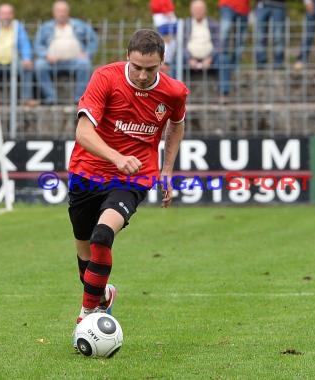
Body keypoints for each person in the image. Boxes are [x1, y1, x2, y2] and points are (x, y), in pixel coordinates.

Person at [67, 29, 188, 338]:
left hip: (134, 175)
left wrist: (167, 170)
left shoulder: (174, 92)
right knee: (85, 253)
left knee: (102, 235)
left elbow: (176, 125)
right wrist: (116, 156)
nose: (144, 75)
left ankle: (87, 315)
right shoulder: (105, 78)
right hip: (87, 171)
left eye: (151, 68)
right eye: (137, 67)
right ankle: (104, 295)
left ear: (162, 62)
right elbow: (82, 132)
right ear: (127, 58)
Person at [34, 0, 98, 105]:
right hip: (52, 62)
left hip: (75, 61)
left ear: (68, 12)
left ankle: (79, 98)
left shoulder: (79, 25)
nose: (62, 13)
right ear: (53, 12)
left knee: (85, 64)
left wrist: (87, 53)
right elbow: (37, 44)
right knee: (40, 65)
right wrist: (45, 55)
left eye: (64, 11)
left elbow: (93, 39)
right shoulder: (45, 27)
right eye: (59, 11)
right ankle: (51, 97)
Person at [0, 3, 37, 107]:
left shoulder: (18, 26)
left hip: (13, 61)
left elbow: (25, 44)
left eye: (8, 13)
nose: (6, 16)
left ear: (13, 15)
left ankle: (26, 99)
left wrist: (26, 58)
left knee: (27, 68)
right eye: (3, 13)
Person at [218, 0, 250, 102]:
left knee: (240, 40)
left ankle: (235, 64)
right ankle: (224, 61)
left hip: (243, 7)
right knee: (225, 33)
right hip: (227, 4)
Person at [183, 0, 219, 72]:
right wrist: (189, 58)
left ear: (205, 10)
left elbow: (218, 44)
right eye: (195, 9)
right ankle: (174, 83)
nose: (198, 11)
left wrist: (210, 58)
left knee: (224, 60)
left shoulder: (214, 24)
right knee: (176, 59)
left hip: (210, 59)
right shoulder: (185, 24)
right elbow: (181, 45)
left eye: (200, 9)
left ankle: (224, 83)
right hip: (189, 58)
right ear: (191, 10)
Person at [255, 0, 287, 70]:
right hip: (262, 5)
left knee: (278, 36)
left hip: (279, 5)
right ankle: (261, 63)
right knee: (260, 37)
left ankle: (278, 63)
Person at [149, 0, 177, 74]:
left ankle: (165, 61)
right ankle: (164, 61)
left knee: (172, 39)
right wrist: (165, 11)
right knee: (167, 38)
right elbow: (156, 4)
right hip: (163, 15)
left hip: (166, 14)